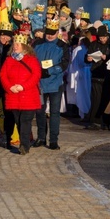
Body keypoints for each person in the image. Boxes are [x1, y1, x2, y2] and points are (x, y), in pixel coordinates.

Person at [0, 34, 42, 155]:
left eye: (18, 44)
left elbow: (36, 75)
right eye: (15, 44)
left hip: (28, 95)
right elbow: (3, 75)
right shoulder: (9, 60)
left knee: (25, 121)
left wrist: (23, 86)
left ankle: (24, 145)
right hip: (13, 95)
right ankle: (24, 142)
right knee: (18, 121)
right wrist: (10, 87)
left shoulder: (31, 59)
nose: (16, 46)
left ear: (24, 46)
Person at [33, 19, 69, 150]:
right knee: (40, 112)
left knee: (54, 113)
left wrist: (51, 70)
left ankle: (53, 140)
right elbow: (31, 59)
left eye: (52, 33)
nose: (49, 35)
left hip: (55, 83)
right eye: (48, 32)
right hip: (40, 84)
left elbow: (65, 63)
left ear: (57, 32)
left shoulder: (62, 45)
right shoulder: (37, 43)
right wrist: (38, 71)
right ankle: (41, 137)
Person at [86, 25, 110, 130]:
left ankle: (107, 120)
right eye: (100, 38)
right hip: (96, 74)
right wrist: (88, 58)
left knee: (107, 98)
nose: (102, 40)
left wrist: (107, 57)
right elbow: (87, 57)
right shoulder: (93, 44)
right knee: (96, 98)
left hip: (109, 74)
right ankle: (95, 120)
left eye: (104, 38)